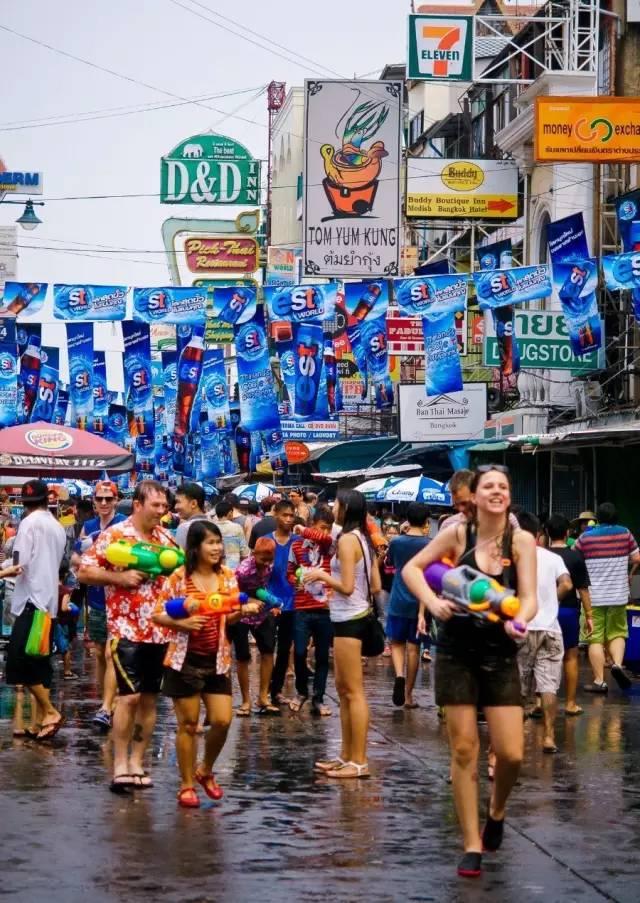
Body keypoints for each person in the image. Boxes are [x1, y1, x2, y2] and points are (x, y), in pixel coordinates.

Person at [402, 465, 537, 878]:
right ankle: (471, 844)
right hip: (456, 650)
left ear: (508, 496)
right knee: (464, 751)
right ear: (474, 496)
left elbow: (529, 597)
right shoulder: (458, 534)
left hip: (499, 651)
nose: (496, 491)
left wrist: (520, 619)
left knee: (511, 753)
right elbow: (413, 569)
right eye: (488, 486)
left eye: (503, 486)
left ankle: (496, 811)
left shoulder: (521, 540)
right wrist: (432, 602)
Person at [78, 480, 178, 793]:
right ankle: (120, 763)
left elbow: (179, 576)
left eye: (164, 506)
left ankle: (137, 762)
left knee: (149, 700)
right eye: (155, 505)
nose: (160, 512)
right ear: (137, 505)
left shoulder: (166, 539)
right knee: (129, 697)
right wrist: (118, 577)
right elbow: (84, 571)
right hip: (126, 629)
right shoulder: (115, 535)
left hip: (159, 631)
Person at [153, 521, 261, 807]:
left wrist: (244, 610)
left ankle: (205, 770)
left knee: (222, 720)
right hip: (184, 660)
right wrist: (183, 623)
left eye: (218, 542)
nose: (216, 548)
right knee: (188, 725)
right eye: (210, 542)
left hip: (218, 660)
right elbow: (157, 614)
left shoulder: (227, 576)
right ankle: (187, 785)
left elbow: (230, 614)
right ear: (195, 547)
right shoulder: (179, 577)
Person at [305, 489, 381, 780]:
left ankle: (358, 761)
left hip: (350, 618)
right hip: (348, 616)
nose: (333, 507)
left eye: (336, 504)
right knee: (345, 691)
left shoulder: (349, 540)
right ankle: (346, 756)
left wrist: (322, 575)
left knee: (353, 692)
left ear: (346, 508)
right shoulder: (362, 538)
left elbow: (347, 587)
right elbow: (375, 585)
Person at [5, 480, 66, 741]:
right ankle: (40, 720)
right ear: (46, 499)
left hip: (32, 600)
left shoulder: (28, 523)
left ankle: (50, 712)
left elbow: (19, 564)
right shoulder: (57, 526)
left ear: (24, 503)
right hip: (48, 602)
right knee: (40, 662)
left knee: (18, 661)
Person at [515, 512, 570, 753]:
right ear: (538, 535)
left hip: (522, 628)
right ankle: (548, 737)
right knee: (549, 686)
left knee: (518, 686)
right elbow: (566, 583)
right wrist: (552, 602)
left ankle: (515, 737)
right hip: (550, 629)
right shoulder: (553, 558)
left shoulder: (512, 558)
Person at [575, 502, 640, 693]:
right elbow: (637, 558)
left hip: (593, 597)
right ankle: (617, 665)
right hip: (618, 595)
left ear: (598, 519)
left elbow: (575, 559)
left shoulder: (585, 537)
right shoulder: (625, 533)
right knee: (617, 633)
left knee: (595, 638)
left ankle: (599, 681)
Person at [80, 481, 126, 730]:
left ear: (116, 500)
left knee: (111, 653)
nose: (104, 503)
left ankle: (110, 703)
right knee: (99, 652)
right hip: (96, 598)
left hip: (119, 599)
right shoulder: (88, 526)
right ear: (94, 502)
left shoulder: (123, 524)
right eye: (100, 499)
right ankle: (105, 698)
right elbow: (77, 559)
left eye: (109, 498)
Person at [288, 505, 335, 716]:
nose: (325, 532)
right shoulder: (296, 545)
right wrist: (295, 581)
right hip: (302, 607)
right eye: (322, 527)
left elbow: (324, 539)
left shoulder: (328, 545)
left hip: (325, 608)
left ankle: (318, 698)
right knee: (299, 652)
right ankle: (301, 692)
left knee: (322, 655)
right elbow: (289, 572)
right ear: (313, 524)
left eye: (328, 528)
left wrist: (303, 529)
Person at [546, 514, 593, 715]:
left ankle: (539, 703)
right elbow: (583, 590)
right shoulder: (575, 557)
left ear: (547, 533)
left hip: (545, 612)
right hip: (568, 611)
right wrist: (589, 615)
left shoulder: (541, 556)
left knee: (543, 657)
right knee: (570, 656)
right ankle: (571, 703)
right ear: (567, 533)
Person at [385, 502, 431, 709]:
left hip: (398, 597)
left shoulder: (396, 542)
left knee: (396, 643)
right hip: (420, 600)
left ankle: (399, 675)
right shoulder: (430, 544)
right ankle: (409, 695)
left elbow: (390, 563)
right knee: (414, 648)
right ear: (426, 521)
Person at [230, 538, 279, 716]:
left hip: (262, 613)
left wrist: (273, 603)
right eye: (262, 559)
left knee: (268, 652)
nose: (266, 563)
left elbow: (270, 585)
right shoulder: (243, 570)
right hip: (242, 613)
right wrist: (250, 600)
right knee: (243, 656)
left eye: (269, 560)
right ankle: (246, 701)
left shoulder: (270, 567)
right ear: (254, 553)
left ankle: (263, 697)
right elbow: (232, 593)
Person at [267, 500, 297, 706]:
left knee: (285, 648)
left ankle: (276, 690)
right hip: (270, 602)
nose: (288, 519)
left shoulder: (299, 542)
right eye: (284, 515)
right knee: (268, 648)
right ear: (275, 515)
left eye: (291, 515)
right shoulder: (265, 541)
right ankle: (265, 690)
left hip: (293, 602)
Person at [214, 499, 249, 570]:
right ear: (230, 513)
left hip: (217, 568)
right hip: (233, 568)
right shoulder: (237, 527)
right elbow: (244, 552)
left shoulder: (212, 528)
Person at [174, 482, 210, 549]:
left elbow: (179, 555)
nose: (175, 507)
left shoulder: (184, 528)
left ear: (193, 503)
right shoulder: (213, 525)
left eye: (178, 502)